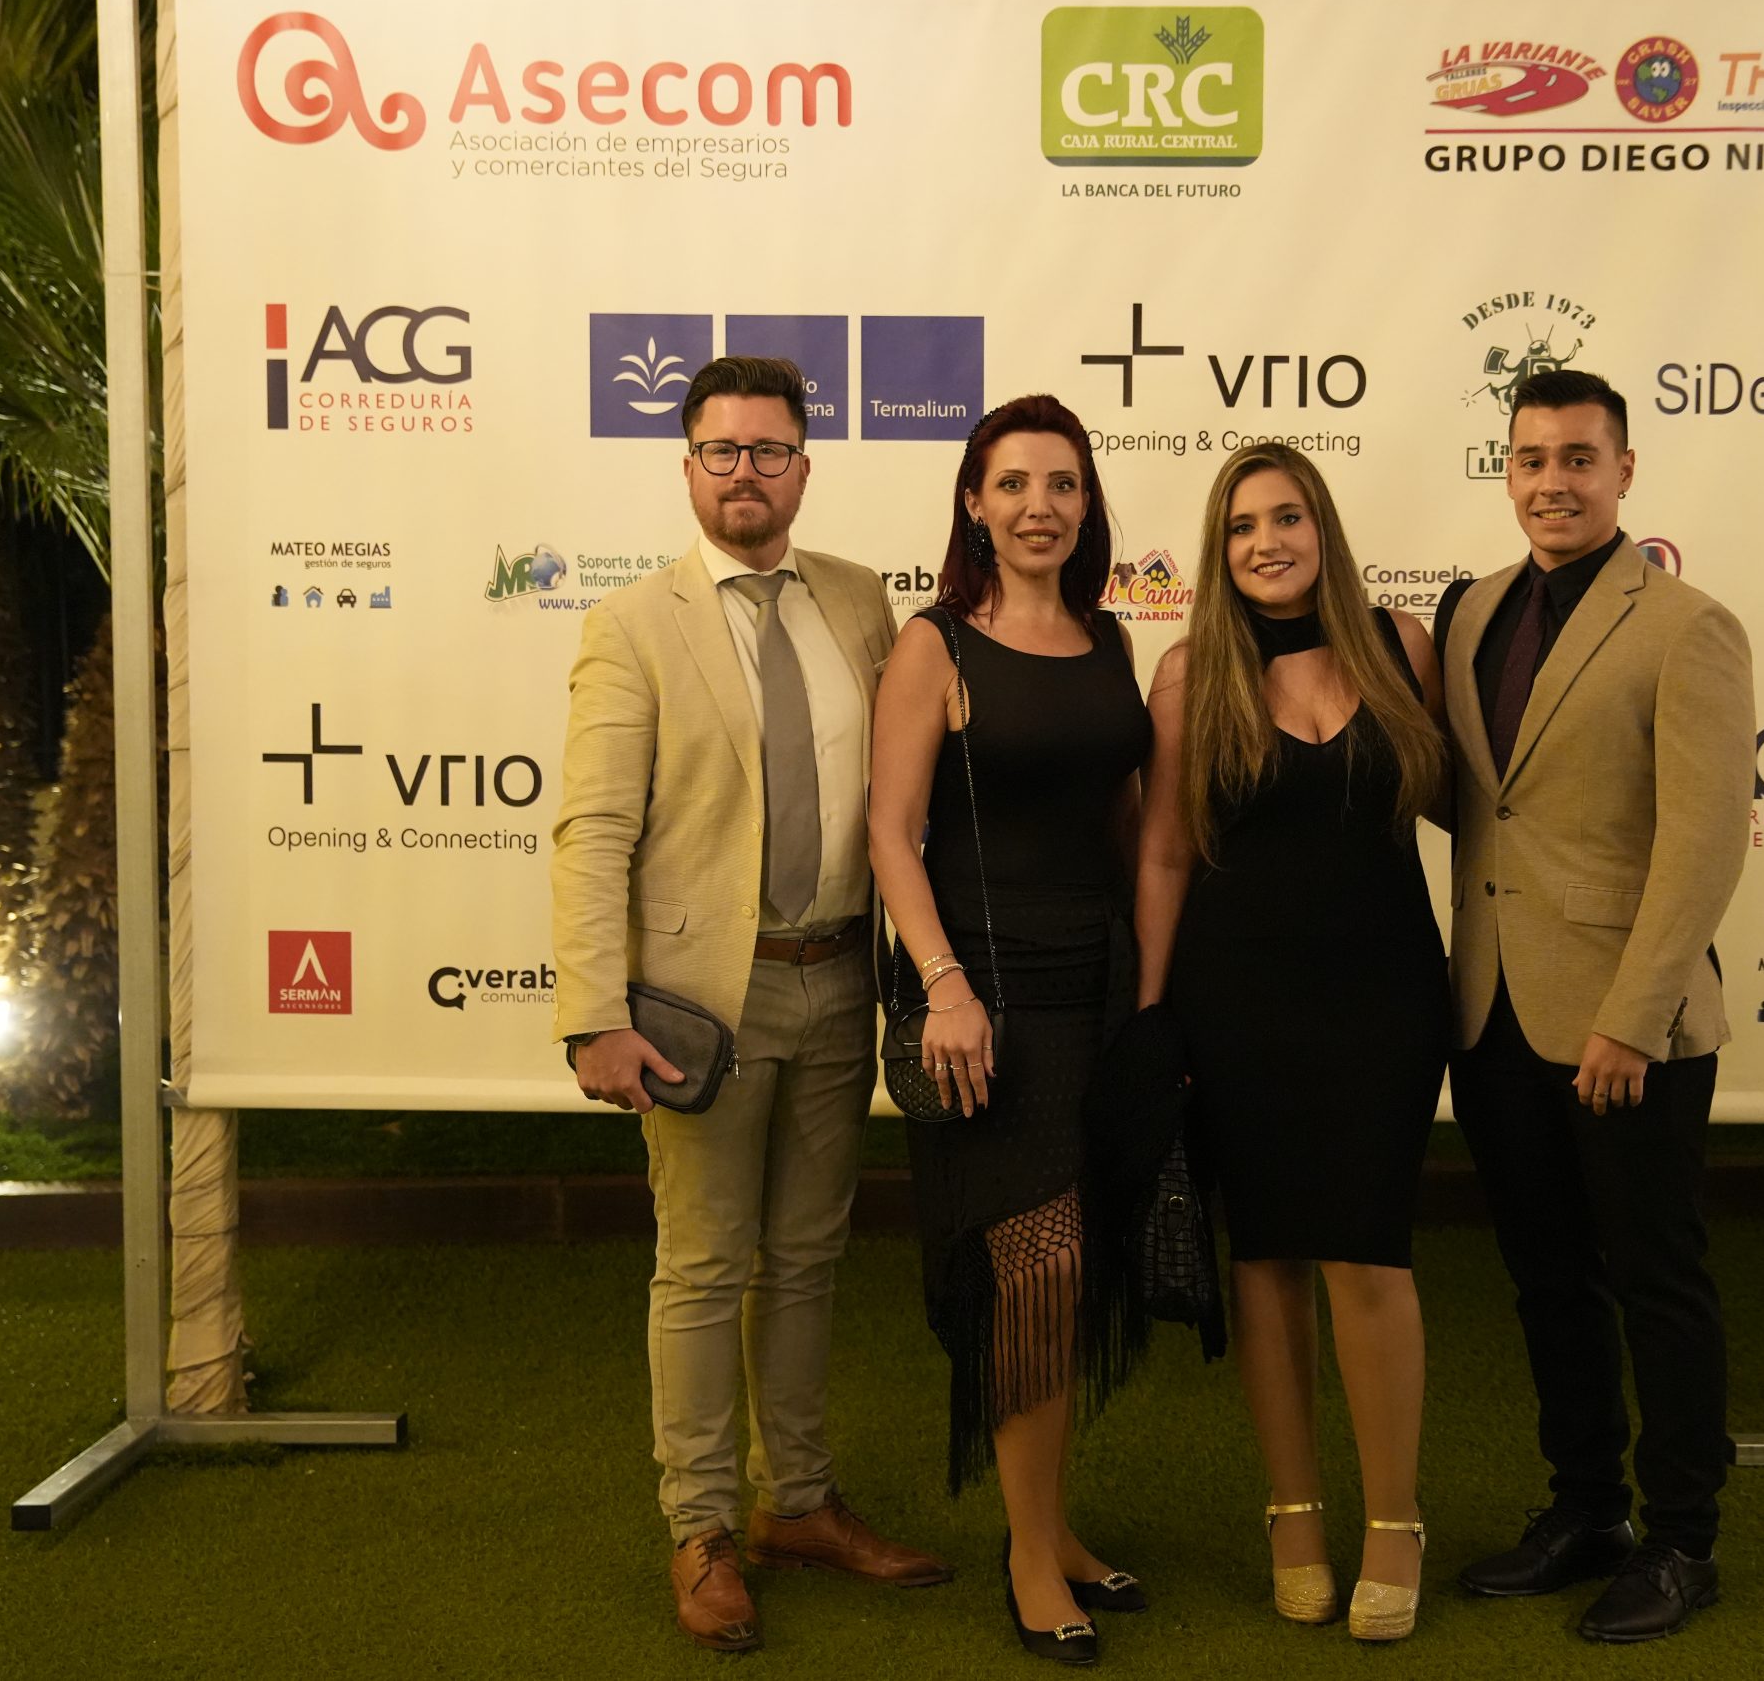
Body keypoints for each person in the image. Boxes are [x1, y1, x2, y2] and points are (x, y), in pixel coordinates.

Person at [550, 355, 949, 1654]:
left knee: (808, 1260)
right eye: (721, 451)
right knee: (705, 1264)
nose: (745, 473)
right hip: (697, 1007)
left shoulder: (860, 599)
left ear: (803, 467)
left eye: (769, 451)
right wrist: (591, 1013)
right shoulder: (632, 624)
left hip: (839, 980)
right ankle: (704, 1528)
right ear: (687, 467)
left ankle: (803, 1504)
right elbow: (592, 831)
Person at [1432, 367, 1753, 1642]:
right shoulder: (1470, 612)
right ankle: (1585, 1510)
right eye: (1531, 459)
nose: (1552, 482)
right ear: (1506, 471)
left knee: (1656, 1280)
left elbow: (1702, 844)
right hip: (1492, 1010)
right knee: (1546, 1281)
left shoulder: (1686, 625)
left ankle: (1682, 1540)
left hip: (1629, 1024)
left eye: (1577, 458)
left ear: (1623, 471)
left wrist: (1633, 1016)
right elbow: (1482, 800)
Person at [1132, 442, 1451, 1642]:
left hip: (1386, 998)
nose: (1266, 542)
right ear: (1218, 551)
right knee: (1265, 1257)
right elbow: (1165, 854)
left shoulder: (1400, 645)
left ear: (1323, 529)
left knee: (1368, 1255)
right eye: (1241, 526)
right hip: (1239, 999)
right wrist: (1155, 1016)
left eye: (1286, 517)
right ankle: (1294, 1514)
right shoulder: (1187, 674)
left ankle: (1396, 1521)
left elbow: (1463, 805)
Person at [866, 394, 1150, 1666]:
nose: (1041, 505)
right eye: (1015, 484)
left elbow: (1130, 823)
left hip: (1098, 989)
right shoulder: (934, 644)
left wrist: (1156, 982)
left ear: (1087, 504)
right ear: (975, 505)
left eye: (1064, 483)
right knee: (1032, 1271)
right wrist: (943, 986)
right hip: (985, 1003)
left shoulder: (1110, 638)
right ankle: (1031, 1554)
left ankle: (1054, 1524)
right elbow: (891, 832)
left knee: (1076, 1268)